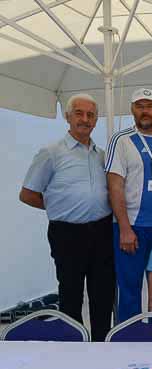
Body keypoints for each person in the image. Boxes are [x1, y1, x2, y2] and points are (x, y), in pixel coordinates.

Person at [20, 93, 115, 341]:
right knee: (71, 294)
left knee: (103, 294)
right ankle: (73, 347)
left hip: (102, 231)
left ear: (96, 120)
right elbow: (27, 194)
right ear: (68, 117)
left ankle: (102, 346)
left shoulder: (102, 155)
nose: (85, 119)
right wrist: (59, 206)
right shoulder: (51, 153)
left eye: (90, 115)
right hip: (67, 233)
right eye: (79, 113)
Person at [106, 88, 152, 323]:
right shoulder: (121, 140)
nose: (145, 111)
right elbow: (114, 186)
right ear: (132, 110)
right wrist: (125, 228)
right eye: (139, 106)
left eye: (149, 105)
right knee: (130, 290)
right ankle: (128, 338)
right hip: (131, 230)